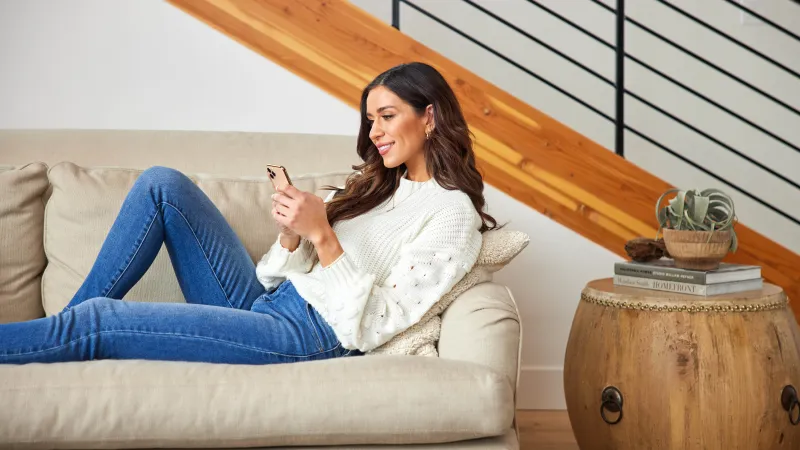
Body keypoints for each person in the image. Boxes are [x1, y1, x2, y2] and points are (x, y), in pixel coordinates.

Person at [0, 62, 500, 365]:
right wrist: (290, 238)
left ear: (429, 116)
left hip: (308, 336)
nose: (374, 132)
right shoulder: (375, 187)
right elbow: (275, 277)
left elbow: (368, 328)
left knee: (100, 321)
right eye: (371, 120)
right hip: (270, 304)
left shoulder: (451, 215)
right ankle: (56, 337)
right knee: (161, 185)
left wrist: (324, 237)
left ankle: (56, 338)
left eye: (387, 117)